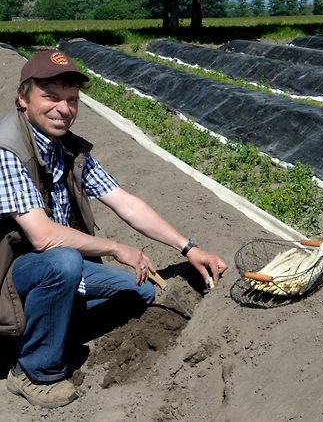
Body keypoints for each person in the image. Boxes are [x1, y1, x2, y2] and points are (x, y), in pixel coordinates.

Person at [0, 50, 227, 408]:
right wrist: (115, 248)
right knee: (64, 263)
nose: (64, 108)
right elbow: (43, 236)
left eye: (72, 100)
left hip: (46, 270)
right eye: (51, 97)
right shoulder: (6, 148)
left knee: (139, 293)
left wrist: (189, 248)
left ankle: (50, 326)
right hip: (10, 275)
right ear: (23, 98)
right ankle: (33, 372)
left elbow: (126, 203)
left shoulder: (67, 149)